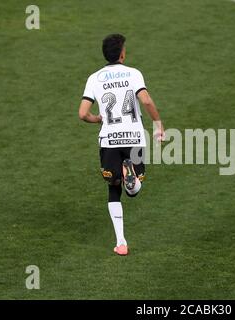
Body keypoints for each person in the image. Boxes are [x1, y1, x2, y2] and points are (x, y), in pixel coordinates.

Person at [78, 34, 164, 256]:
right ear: (122, 54)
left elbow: (82, 114)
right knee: (134, 190)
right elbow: (145, 100)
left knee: (113, 188)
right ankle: (131, 175)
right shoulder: (134, 74)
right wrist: (158, 123)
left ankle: (121, 242)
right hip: (134, 137)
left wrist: (97, 119)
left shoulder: (94, 78)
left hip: (109, 139)